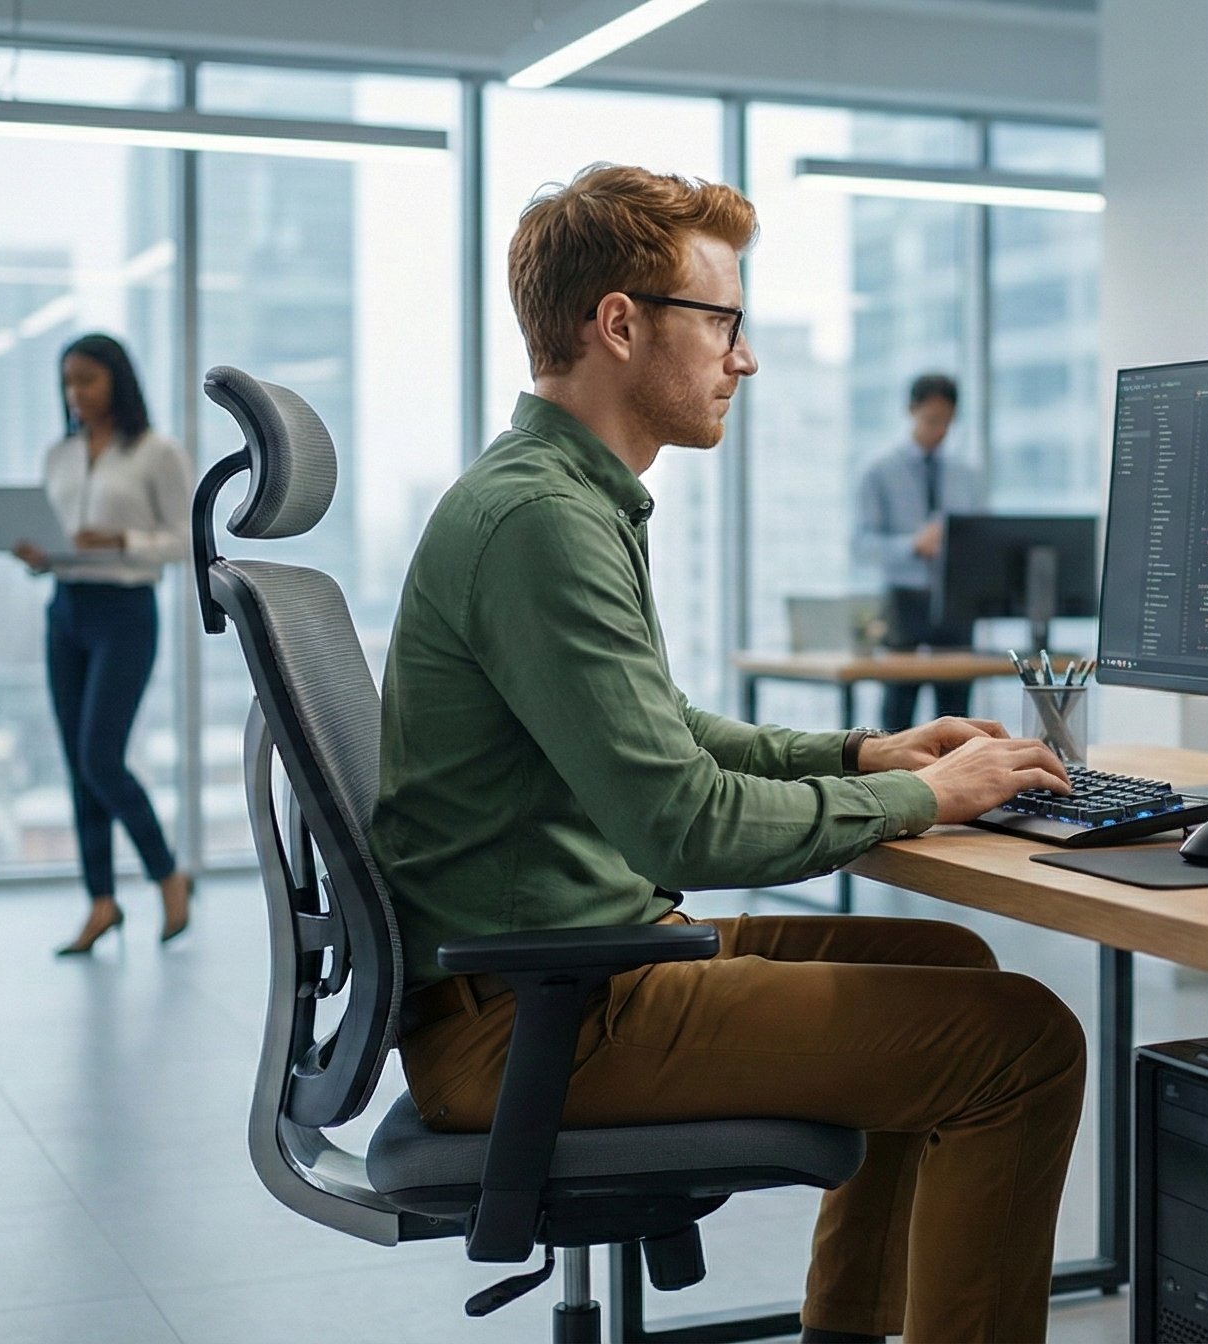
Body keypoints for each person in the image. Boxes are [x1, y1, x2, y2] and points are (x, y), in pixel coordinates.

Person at [374, 163, 1082, 1343]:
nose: (742, 357)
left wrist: (864, 755)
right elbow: (681, 823)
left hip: (574, 963)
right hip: (539, 1015)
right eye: (724, 321)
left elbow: (669, 732)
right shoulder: (541, 520)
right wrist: (926, 796)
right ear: (619, 324)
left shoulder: (560, 496)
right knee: (1022, 1048)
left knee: (953, 964)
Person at [9, 333, 196, 955]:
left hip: (124, 612)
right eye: (68, 382)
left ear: (116, 379)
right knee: (76, 764)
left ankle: (167, 875)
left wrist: (117, 543)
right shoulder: (59, 454)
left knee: (100, 757)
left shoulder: (155, 453)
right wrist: (41, 554)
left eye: (86, 379)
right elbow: (61, 537)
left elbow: (183, 540)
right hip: (65, 608)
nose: (76, 393)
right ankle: (101, 903)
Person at [851, 373, 986, 731]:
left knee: (957, 714)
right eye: (930, 420)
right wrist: (913, 544)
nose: (938, 430)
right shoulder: (877, 471)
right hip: (903, 602)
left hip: (956, 603)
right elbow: (862, 546)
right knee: (898, 713)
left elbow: (983, 539)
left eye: (945, 422)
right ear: (911, 411)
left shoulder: (967, 475)